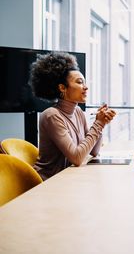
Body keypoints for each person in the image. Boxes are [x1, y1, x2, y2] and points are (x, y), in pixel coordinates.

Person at [30, 52, 116, 180]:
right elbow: (77, 158)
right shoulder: (51, 116)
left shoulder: (77, 112)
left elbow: (94, 151)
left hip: (68, 178)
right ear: (62, 88)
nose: (85, 87)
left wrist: (101, 124)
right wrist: (98, 124)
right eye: (80, 82)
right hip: (49, 182)